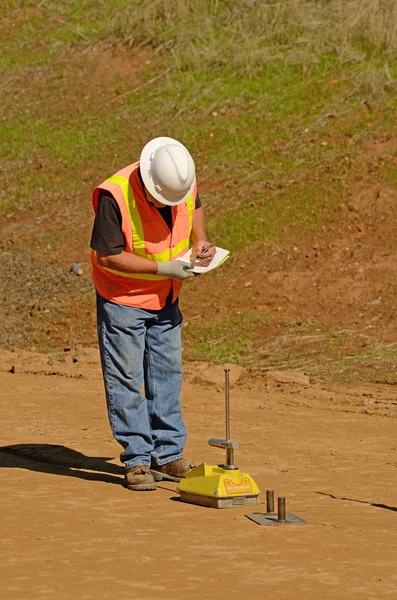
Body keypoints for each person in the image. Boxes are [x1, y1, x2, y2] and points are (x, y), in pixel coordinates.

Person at [90, 137, 215, 491]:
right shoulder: (116, 196)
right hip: (124, 299)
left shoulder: (179, 179)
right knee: (126, 378)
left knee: (167, 375)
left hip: (166, 298)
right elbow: (106, 256)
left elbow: (196, 207)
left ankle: (169, 453)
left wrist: (200, 241)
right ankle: (138, 459)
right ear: (148, 183)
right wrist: (164, 270)